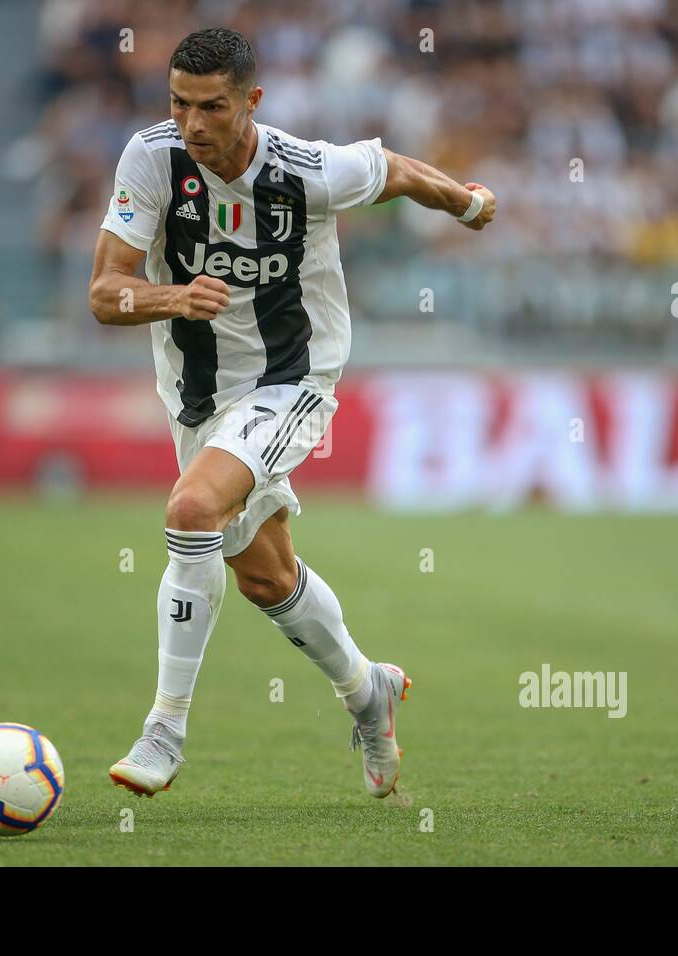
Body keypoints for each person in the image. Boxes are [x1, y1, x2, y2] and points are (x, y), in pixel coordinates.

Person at [89, 27, 495, 799]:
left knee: (191, 507)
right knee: (264, 578)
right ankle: (366, 689)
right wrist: (172, 296)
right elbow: (105, 293)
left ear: (252, 102)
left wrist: (468, 203)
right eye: (179, 103)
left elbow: (397, 170)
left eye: (212, 107)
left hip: (291, 376)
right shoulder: (151, 159)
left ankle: (165, 729)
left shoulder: (306, 169)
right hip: (195, 392)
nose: (193, 125)